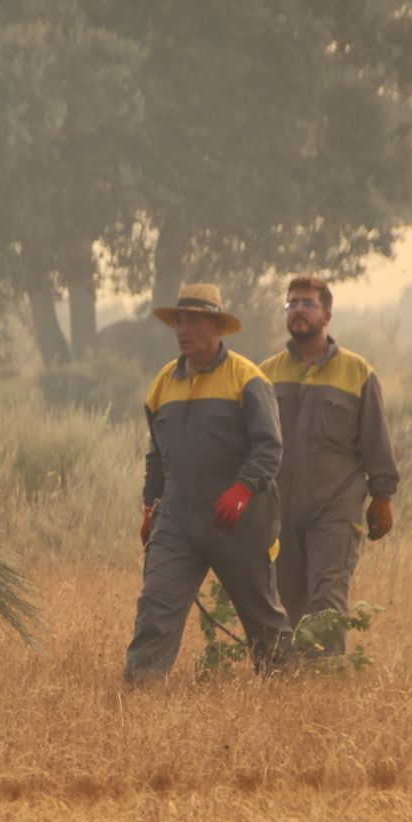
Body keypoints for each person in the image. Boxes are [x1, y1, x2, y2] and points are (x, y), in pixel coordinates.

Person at [125, 283, 292, 682]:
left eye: (193, 321)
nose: (183, 330)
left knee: (262, 616)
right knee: (156, 605)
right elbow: (156, 455)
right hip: (177, 520)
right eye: (179, 322)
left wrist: (243, 490)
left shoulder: (247, 379)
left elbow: (269, 447)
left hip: (237, 520)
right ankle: (140, 691)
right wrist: (150, 506)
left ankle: (284, 686)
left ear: (217, 326)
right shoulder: (163, 383)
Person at [259, 275, 399, 655]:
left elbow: (376, 439)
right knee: (284, 598)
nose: (298, 310)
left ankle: (325, 675)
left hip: (335, 505)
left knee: (327, 594)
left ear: (327, 315)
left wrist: (382, 497)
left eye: (308, 303)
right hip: (279, 507)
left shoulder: (357, 372)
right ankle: (288, 674)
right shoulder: (266, 373)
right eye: (292, 303)